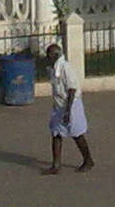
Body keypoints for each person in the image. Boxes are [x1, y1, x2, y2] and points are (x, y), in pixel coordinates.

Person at [43, 42, 94, 174]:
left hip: (71, 105)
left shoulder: (66, 68)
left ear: (55, 55)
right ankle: (56, 165)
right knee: (56, 133)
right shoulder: (54, 69)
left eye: (49, 55)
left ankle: (88, 160)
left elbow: (72, 89)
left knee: (76, 133)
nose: (47, 58)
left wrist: (67, 111)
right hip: (59, 105)